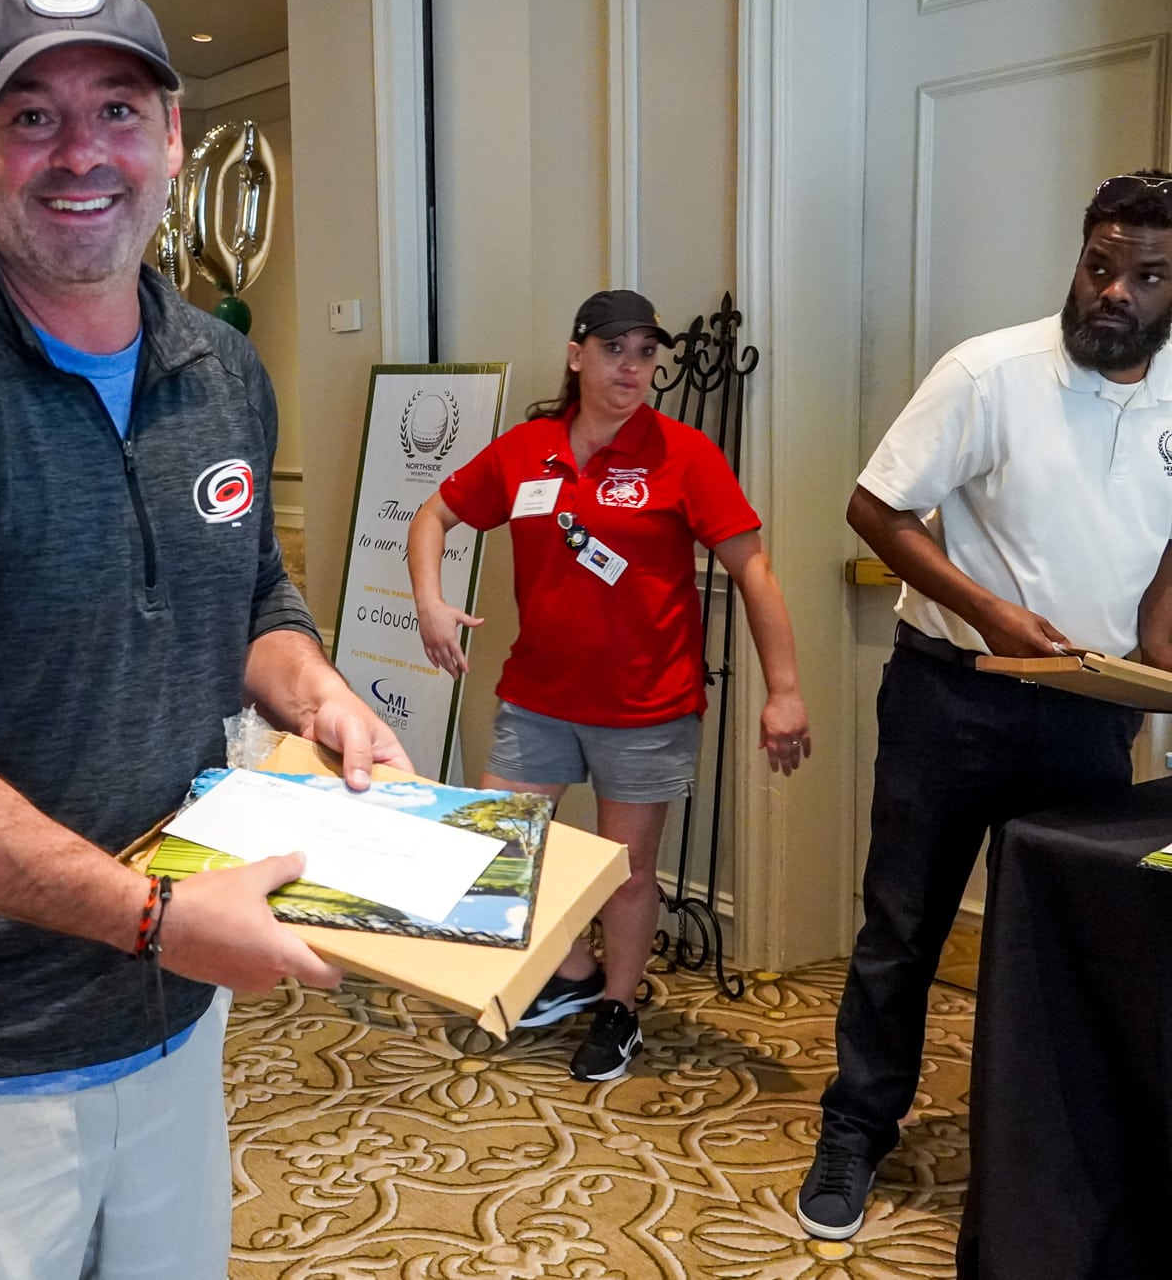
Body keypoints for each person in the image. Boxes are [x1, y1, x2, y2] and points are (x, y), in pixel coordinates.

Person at [0, 0, 408, 1279]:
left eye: (117, 109)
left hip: (170, 1020)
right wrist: (155, 917)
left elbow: (250, 594)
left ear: (170, 140)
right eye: (32, 117)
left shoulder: (219, 369)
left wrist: (317, 692)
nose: (81, 152)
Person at [798, 171, 1172, 1242]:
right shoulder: (988, 372)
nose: (1113, 291)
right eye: (1098, 264)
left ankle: (1031, 1157)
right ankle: (854, 1129)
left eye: (1146, 276)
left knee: (1053, 938)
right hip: (951, 694)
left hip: (1090, 706)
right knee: (902, 927)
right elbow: (874, 506)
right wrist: (991, 612)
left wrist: (1155, 664)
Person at [407, 289, 810, 1083]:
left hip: (645, 705)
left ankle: (618, 1008)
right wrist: (429, 601)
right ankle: (576, 972)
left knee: (627, 872)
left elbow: (753, 569)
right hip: (537, 697)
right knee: (499, 848)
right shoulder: (527, 449)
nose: (632, 367)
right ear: (576, 354)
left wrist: (785, 688)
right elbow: (432, 516)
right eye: (614, 349)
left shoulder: (683, 454)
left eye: (645, 353)